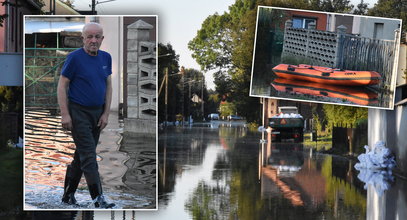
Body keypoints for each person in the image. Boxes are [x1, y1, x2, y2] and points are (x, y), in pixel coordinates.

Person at [57, 22, 115, 208]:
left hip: (97, 114)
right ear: (83, 38)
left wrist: (106, 114)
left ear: (102, 39)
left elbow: (108, 86)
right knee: (89, 155)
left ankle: (67, 195)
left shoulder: (106, 58)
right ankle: (98, 199)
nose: (93, 40)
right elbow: (62, 85)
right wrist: (65, 114)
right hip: (78, 112)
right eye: (89, 36)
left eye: (97, 37)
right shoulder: (74, 58)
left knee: (81, 156)